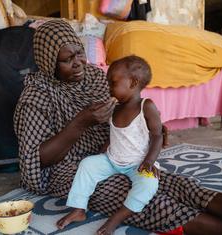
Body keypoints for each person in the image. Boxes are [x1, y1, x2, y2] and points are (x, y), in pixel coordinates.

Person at [14, 19, 222, 235]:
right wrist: (80, 123)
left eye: (80, 53)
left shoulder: (94, 77)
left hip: (113, 152)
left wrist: (146, 125)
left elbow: (129, 104)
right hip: (67, 167)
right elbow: (38, 159)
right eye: (67, 60)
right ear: (48, 62)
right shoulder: (37, 96)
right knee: (120, 191)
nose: (79, 64)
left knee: (157, 179)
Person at [56, 55, 162, 234]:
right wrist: (102, 151)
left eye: (113, 83)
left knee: (149, 184)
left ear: (133, 82)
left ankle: (117, 217)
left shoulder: (146, 106)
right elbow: (117, 134)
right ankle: (78, 209)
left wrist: (150, 161)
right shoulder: (116, 107)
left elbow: (157, 136)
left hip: (138, 163)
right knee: (87, 165)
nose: (109, 88)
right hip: (112, 159)